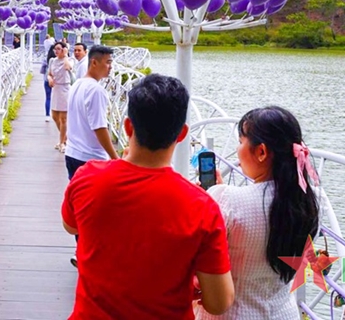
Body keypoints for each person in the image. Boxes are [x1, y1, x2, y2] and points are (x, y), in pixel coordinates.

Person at [62, 74, 234, 320]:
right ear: (182, 134)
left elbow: (70, 225)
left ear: (128, 126)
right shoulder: (203, 207)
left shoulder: (87, 177)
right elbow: (219, 302)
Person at [195, 106, 320, 320]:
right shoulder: (307, 202)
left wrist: (212, 198)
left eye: (241, 142)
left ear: (261, 152)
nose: (237, 149)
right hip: (283, 313)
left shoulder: (227, 199)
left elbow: (198, 256)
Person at [63, 44, 116, 179]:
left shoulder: (77, 84)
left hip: (72, 152)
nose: (110, 67)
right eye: (108, 62)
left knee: (76, 196)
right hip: (90, 157)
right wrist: (115, 157)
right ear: (94, 62)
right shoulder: (96, 90)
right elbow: (99, 127)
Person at [47, 42, 73, 152]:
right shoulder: (52, 61)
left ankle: (62, 142)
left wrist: (66, 55)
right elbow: (49, 73)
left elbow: (68, 67)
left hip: (65, 89)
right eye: (55, 49)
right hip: (56, 88)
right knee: (54, 116)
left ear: (63, 49)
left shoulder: (69, 60)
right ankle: (65, 138)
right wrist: (49, 79)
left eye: (58, 49)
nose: (56, 51)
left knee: (63, 118)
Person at [41, 42, 56, 122]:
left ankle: (47, 115)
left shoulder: (46, 58)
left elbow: (42, 70)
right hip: (58, 81)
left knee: (48, 97)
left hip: (47, 79)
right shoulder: (60, 59)